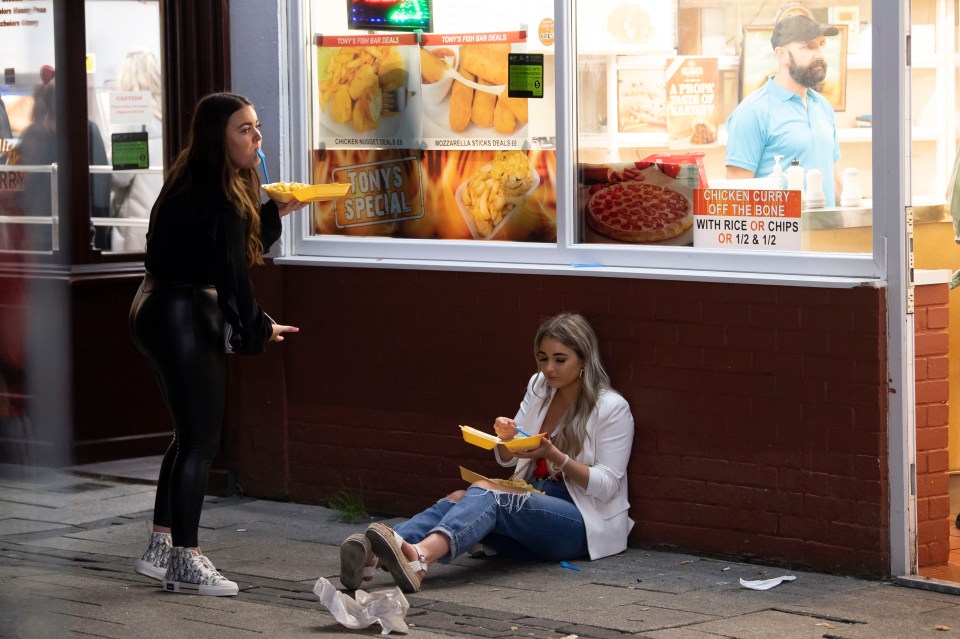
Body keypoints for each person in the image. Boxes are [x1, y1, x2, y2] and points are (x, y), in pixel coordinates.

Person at [129, 92, 306, 596]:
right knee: (202, 441)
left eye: (256, 127)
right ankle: (187, 557)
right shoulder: (219, 194)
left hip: (156, 306)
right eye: (244, 129)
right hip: (183, 313)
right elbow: (232, 279)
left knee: (187, 434)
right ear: (217, 136)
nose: (257, 138)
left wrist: (275, 212)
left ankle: (162, 544)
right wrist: (257, 327)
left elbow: (225, 253)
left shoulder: (194, 180)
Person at [338, 312, 635, 593]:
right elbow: (510, 457)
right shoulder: (540, 386)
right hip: (534, 500)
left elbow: (607, 486)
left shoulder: (611, 407)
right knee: (460, 499)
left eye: (560, 360)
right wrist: (505, 440)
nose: (548, 369)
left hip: (581, 523)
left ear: (584, 359)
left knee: (486, 493)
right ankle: (374, 553)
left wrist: (555, 454)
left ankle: (419, 557)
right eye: (542, 358)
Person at [725, 14, 842, 207]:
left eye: (821, 44)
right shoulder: (752, 112)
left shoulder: (823, 107)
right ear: (781, 55)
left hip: (825, 235)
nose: (819, 53)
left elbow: (835, 182)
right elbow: (736, 198)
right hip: (779, 235)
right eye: (808, 46)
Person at [15, 76, 111, 250]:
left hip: (39, 233)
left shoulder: (33, 134)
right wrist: (102, 229)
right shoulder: (88, 130)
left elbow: (18, 184)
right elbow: (101, 188)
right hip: (83, 232)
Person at [110, 50, 164, 252]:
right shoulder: (168, 112)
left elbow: (122, 177)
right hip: (166, 215)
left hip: (138, 218)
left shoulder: (130, 117)